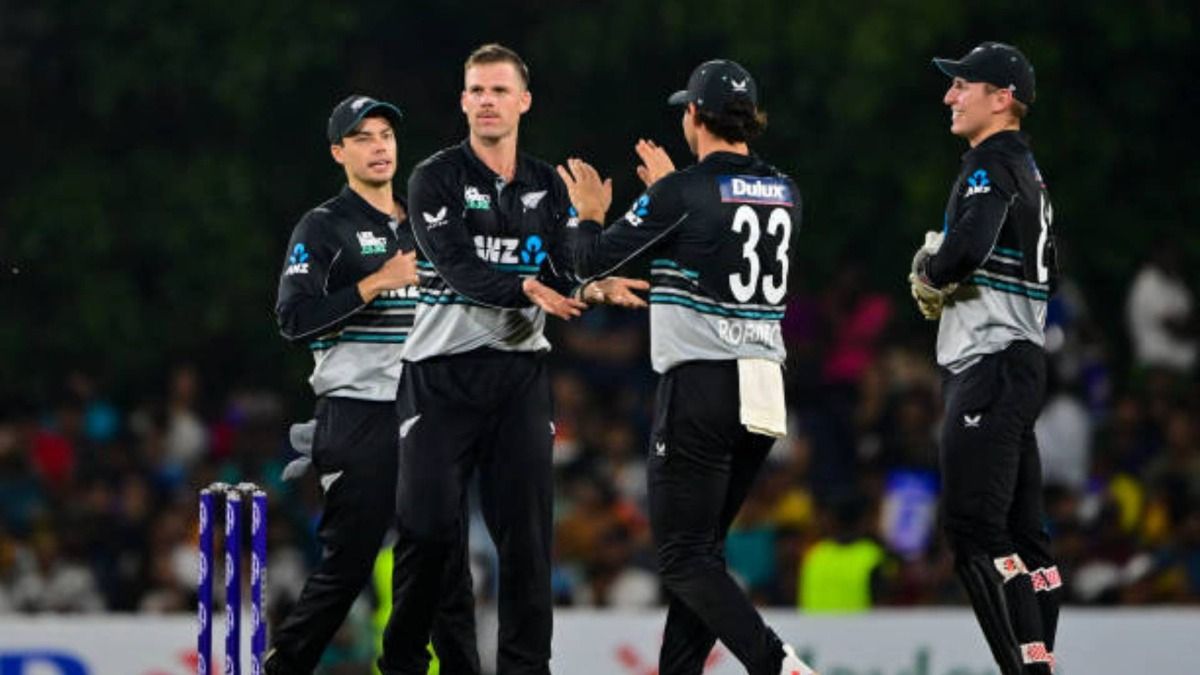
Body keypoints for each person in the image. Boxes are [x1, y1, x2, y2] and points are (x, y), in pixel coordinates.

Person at [380, 44, 645, 675]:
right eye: (476, 90)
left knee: (526, 544)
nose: (487, 101)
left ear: (523, 101)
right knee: (427, 533)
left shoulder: (547, 184)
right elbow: (458, 269)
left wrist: (589, 253)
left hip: (518, 377)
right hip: (440, 376)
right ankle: (412, 665)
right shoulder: (434, 178)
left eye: (499, 90)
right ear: (463, 101)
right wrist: (524, 287)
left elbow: (564, 268)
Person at [558, 59, 818, 675]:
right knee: (700, 557)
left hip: (703, 381)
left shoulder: (682, 194)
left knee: (681, 558)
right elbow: (713, 237)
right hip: (763, 386)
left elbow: (587, 261)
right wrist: (672, 193)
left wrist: (590, 210)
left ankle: (776, 664)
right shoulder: (785, 188)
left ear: (694, 116)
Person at [268, 95, 479, 675]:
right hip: (360, 415)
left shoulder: (426, 225)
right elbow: (292, 318)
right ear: (339, 153)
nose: (379, 145)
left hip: (428, 414)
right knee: (349, 567)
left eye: (385, 134)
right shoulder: (324, 226)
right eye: (362, 137)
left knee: (448, 568)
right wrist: (373, 284)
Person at [908, 42, 1062, 674]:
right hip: (1020, 361)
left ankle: (1026, 671)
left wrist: (931, 270)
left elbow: (966, 248)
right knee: (1030, 545)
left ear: (1002, 99)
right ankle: (1039, 660)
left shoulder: (990, 164)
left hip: (991, 364)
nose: (950, 95)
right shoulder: (1027, 170)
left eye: (963, 85)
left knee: (974, 532)